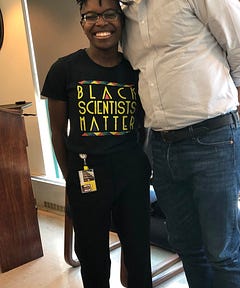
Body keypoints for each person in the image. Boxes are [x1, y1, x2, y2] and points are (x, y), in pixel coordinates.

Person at [121, 1, 240, 287]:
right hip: (161, 145)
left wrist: (238, 111)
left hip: (213, 140)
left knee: (222, 251)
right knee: (187, 247)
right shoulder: (125, 16)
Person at [41, 0, 152, 287]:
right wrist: (70, 177)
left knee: (139, 255)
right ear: (82, 23)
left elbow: (144, 125)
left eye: (109, 14)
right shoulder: (63, 69)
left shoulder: (136, 70)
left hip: (132, 176)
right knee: (93, 258)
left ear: (122, 19)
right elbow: (57, 132)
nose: (100, 23)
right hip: (86, 177)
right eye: (90, 16)